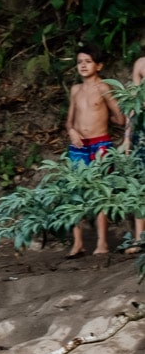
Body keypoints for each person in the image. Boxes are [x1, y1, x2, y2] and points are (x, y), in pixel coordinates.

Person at [66, 44, 124, 258]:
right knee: (76, 193)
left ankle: (102, 243)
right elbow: (69, 121)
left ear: (98, 66)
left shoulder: (104, 88)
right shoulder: (75, 90)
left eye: (88, 61)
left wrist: (107, 118)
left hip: (100, 144)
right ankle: (78, 243)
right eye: (80, 61)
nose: (83, 65)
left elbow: (120, 118)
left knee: (100, 192)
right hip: (78, 146)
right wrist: (72, 131)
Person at [123, 48, 145, 253]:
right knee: (138, 182)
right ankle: (139, 238)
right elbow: (133, 103)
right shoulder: (140, 64)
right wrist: (127, 138)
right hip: (142, 129)